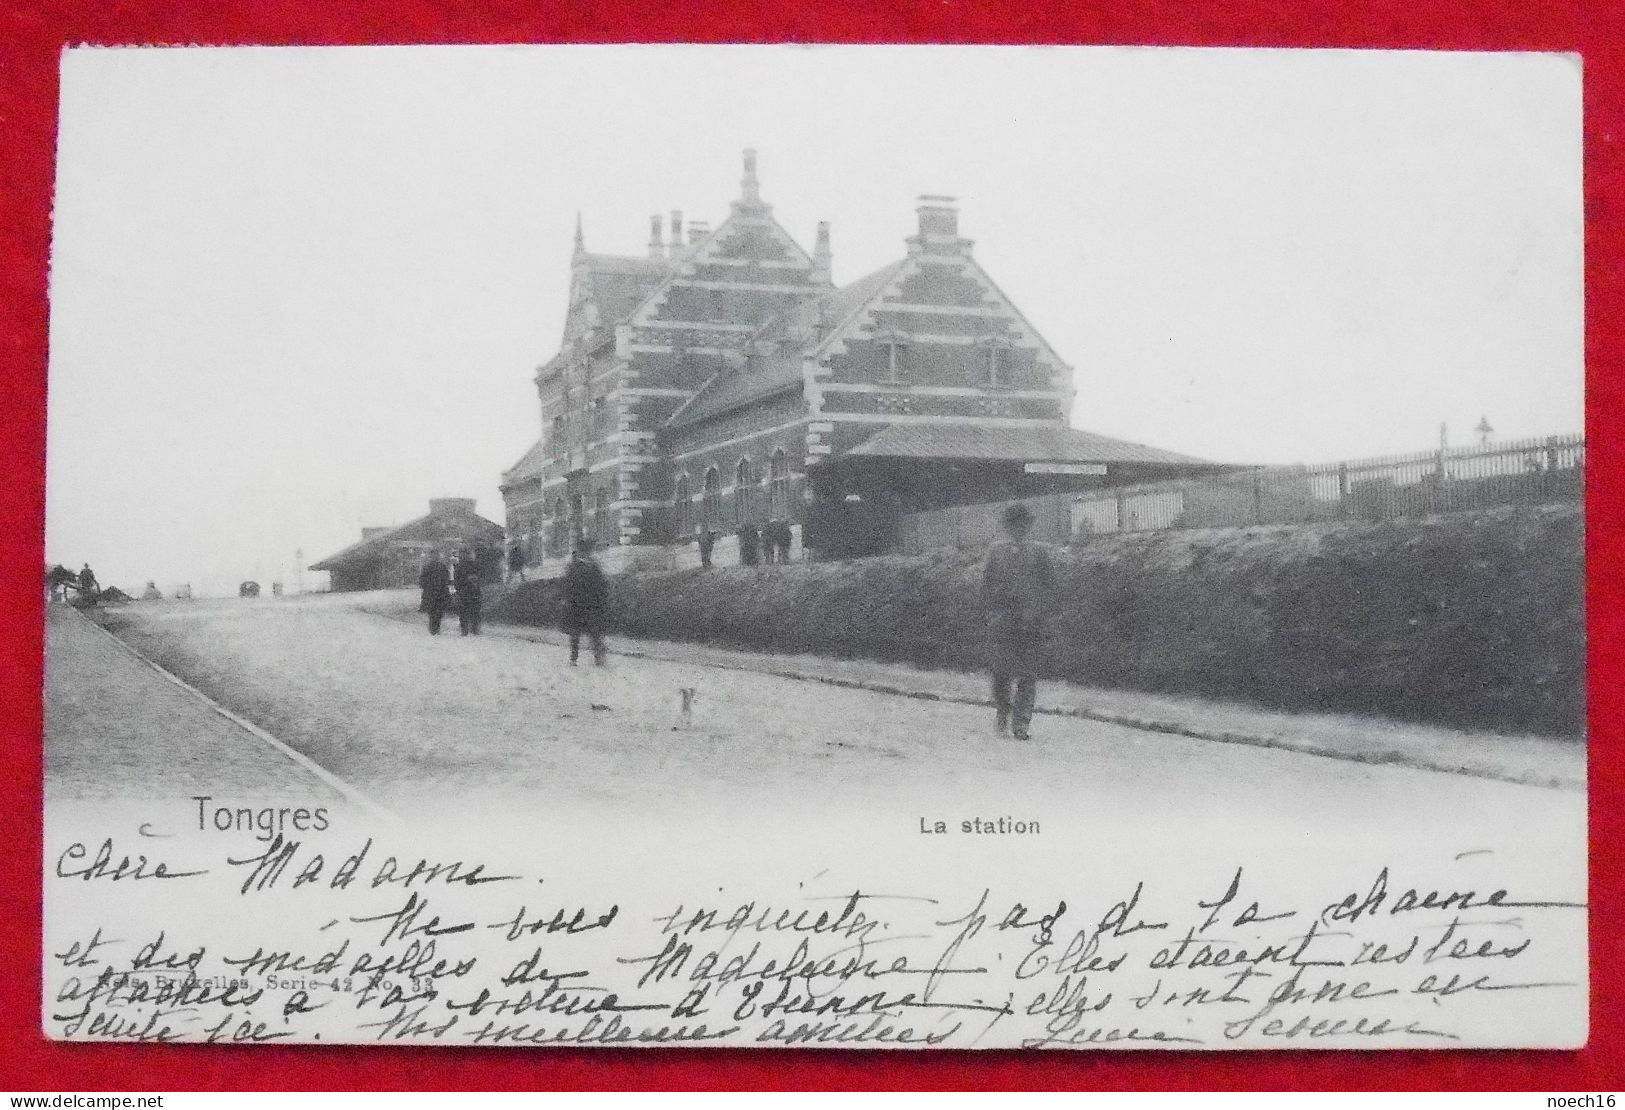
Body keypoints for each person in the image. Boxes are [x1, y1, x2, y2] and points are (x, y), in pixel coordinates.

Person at [980, 504, 1055, 741]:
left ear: (1029, 526)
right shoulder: (997, 552)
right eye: (1015, 525)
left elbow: (1049, 587)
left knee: (1028, 674)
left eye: (1024, 525)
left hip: (1031, 622)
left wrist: (1040, 612)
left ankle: (1021, 723)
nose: (1019, 530)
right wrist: (990, 613)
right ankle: (1003, 710)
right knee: (1001, 673)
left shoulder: (1039, 553)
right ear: (1008, 527)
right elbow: (986, 587)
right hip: (1003, 622)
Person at [561, 542, 609, 666]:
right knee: (575, 633)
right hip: (577, 605)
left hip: (592, 604)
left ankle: (599, 658)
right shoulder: (574, 566)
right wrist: (568, 600)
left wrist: (602, 600)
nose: (587, 554)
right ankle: (573, 658)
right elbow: (568, 585)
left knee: (595, 632)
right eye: (586, 552)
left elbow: (601, 584)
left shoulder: (594, 566)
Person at [419, 550, 452, 635]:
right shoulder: (441, 567)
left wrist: (427, 587)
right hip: (440, 593)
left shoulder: (428, 567)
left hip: (432, 593)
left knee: (433, 612)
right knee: (437, 611)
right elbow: (447, 579)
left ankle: (433, 628)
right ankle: (435, 628)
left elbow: (422, 581)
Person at [453, 547, 483, 635]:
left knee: (465, 611)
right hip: (472, 591)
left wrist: (459, 588)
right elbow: (481, 576)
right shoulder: (474, 565)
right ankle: (473, 628)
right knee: (473, 610)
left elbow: (457, 580)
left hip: (466, 591)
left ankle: (466, 629)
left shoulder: (461, 566)